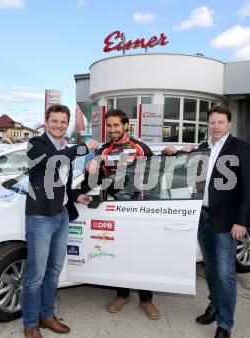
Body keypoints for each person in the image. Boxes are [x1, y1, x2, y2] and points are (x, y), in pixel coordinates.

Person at [167, 106, 250, 338]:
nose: (215, 126)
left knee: (225, 273)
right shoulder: (203, 148)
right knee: (210, 266)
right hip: (202, 216)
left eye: (220, 122)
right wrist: (181, 153)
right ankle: (215, 304)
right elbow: (185, 177)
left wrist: (242, 221)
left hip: (228, 221)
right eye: (212, 122)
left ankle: (225, 324)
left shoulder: (241, 148)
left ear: (229, 124)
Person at [22, 104, 99, 338]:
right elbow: (52, 162)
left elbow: (62, 183)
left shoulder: (64, 146)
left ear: (67, 125)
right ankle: (31, 323)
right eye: (54, 121)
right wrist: (84, 147)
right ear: (46, 122)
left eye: (63, 122)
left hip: (62, 215)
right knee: (35, 274)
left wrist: (76, 196)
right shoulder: (37, 145)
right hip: (41, 217)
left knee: (54, 270)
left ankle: (47, 315)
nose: (59, 125)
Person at [83, 109, 160, 320]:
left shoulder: (140, 148)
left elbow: (157, 177)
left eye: (116, 125)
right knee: (118, 252)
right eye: (109, 126)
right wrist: (91, 169)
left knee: (142, 254)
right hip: (114, 209)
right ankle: (122, 295)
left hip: (139, 209)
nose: (112, 129)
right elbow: (96, 181)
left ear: (126, 126)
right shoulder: (103, 150)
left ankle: (146, 299)